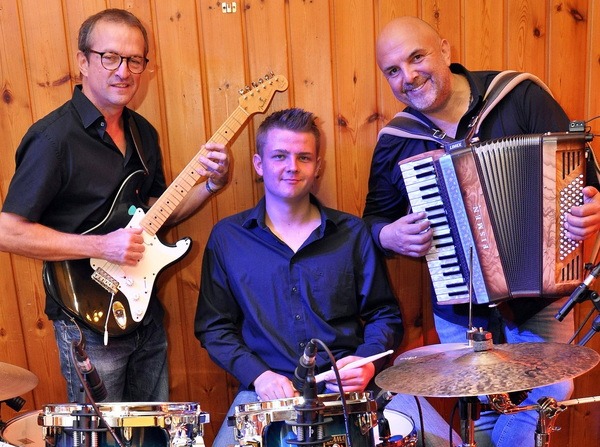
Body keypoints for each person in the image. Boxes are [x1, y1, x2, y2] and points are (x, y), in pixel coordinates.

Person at [363, 16, 600, 447]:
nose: (408, 77)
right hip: (460, 308)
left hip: (541, 298)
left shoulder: (520, 96)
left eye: (417, 57)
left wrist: (591, 210)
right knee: (484, 416)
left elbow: (587, 183)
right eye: (392, 71)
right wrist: (388, 236)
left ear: (446, 51)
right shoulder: (397, 139)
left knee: (546, 395)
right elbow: (372, 221)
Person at [0, 8, 229, 403]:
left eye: (134, 60)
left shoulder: (142, 132)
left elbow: (158, 210)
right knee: (102, 438)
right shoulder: (53, 140)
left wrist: (210, 185)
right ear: (83, 62)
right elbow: (8, 230)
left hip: (143, 310)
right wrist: (101, 246)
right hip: (86, 319)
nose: (123, 71)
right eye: (110, 57)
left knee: (152, 431)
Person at [195, 107, 461, 447]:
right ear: (259, 165)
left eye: (303, 157)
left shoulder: (351, 232)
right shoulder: (228, 238)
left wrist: (366, 362)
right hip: (265, 395)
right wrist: (258, 376)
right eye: (279, 156)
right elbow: (213, 327)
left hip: (357, 389)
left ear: (318, 166)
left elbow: (385, 315)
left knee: (447, 442)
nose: (292, 167)